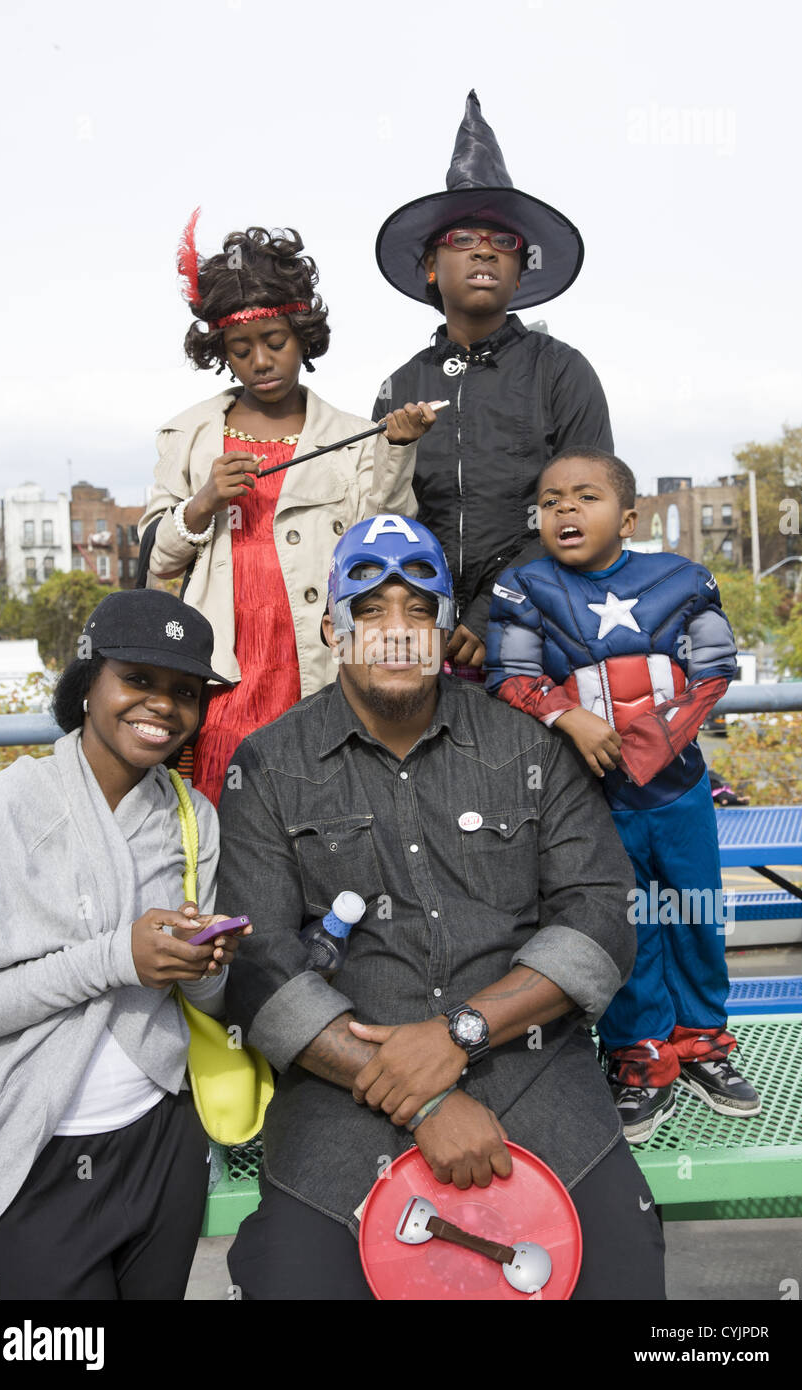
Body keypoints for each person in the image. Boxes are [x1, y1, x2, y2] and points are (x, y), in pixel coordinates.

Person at [216, 513, 666, 1301]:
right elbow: (259, 966)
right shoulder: (270, 765)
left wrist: (464, 1032)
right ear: (333, 627)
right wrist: (424, 1096)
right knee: (294, 1280)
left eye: (420, 612)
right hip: (346, 1100)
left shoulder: (530, 747)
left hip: (537, 1081)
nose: (398, 633)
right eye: (372, 611)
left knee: (622, 1272)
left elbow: (599, 917)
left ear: (449, 627)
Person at [0, 589, 248, 1300]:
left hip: (161, 1146)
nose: (162, 706)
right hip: (28, 1157)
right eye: (138, 679)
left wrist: (205, 964)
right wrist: (117, 958)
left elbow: (202, 1001)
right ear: (88, 683)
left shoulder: (192, 816)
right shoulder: (2, 808)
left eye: (184, 690)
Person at [486, 446, 761, 1142]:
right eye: (550, 502)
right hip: (591, 801)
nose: (566, 510)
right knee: (624, 926)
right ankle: (639, 1052)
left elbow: (715, 666)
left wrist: (649, 743)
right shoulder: (525, 588)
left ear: (629, 516)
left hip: (678, 789)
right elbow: (511, 675)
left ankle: (702, 1041)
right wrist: (567, 714)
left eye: (585, 496)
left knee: (696, 912)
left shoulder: (682, 578)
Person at [139, 215, 435, 805]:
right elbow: (155, 562)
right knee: (226, 794)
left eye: (275, 343)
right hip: (225, 653)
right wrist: (201, 504)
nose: (261, 361)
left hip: (315, 649)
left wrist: (397, 449)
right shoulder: (189, 435)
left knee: (320, 792)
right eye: (240, 349)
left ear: (303, 337)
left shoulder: (355, 434)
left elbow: (381, 537)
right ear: (222, 353)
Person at [372, 91, 613, 671]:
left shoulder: (561, 370)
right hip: (424, 639)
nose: (485, 247)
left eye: (504, 242)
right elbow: (381, 516)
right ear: (432, 265)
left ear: (519, 266)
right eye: (462, 238)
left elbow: (584, 509)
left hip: (543, 629)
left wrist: (492, 608)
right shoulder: (401, 384)